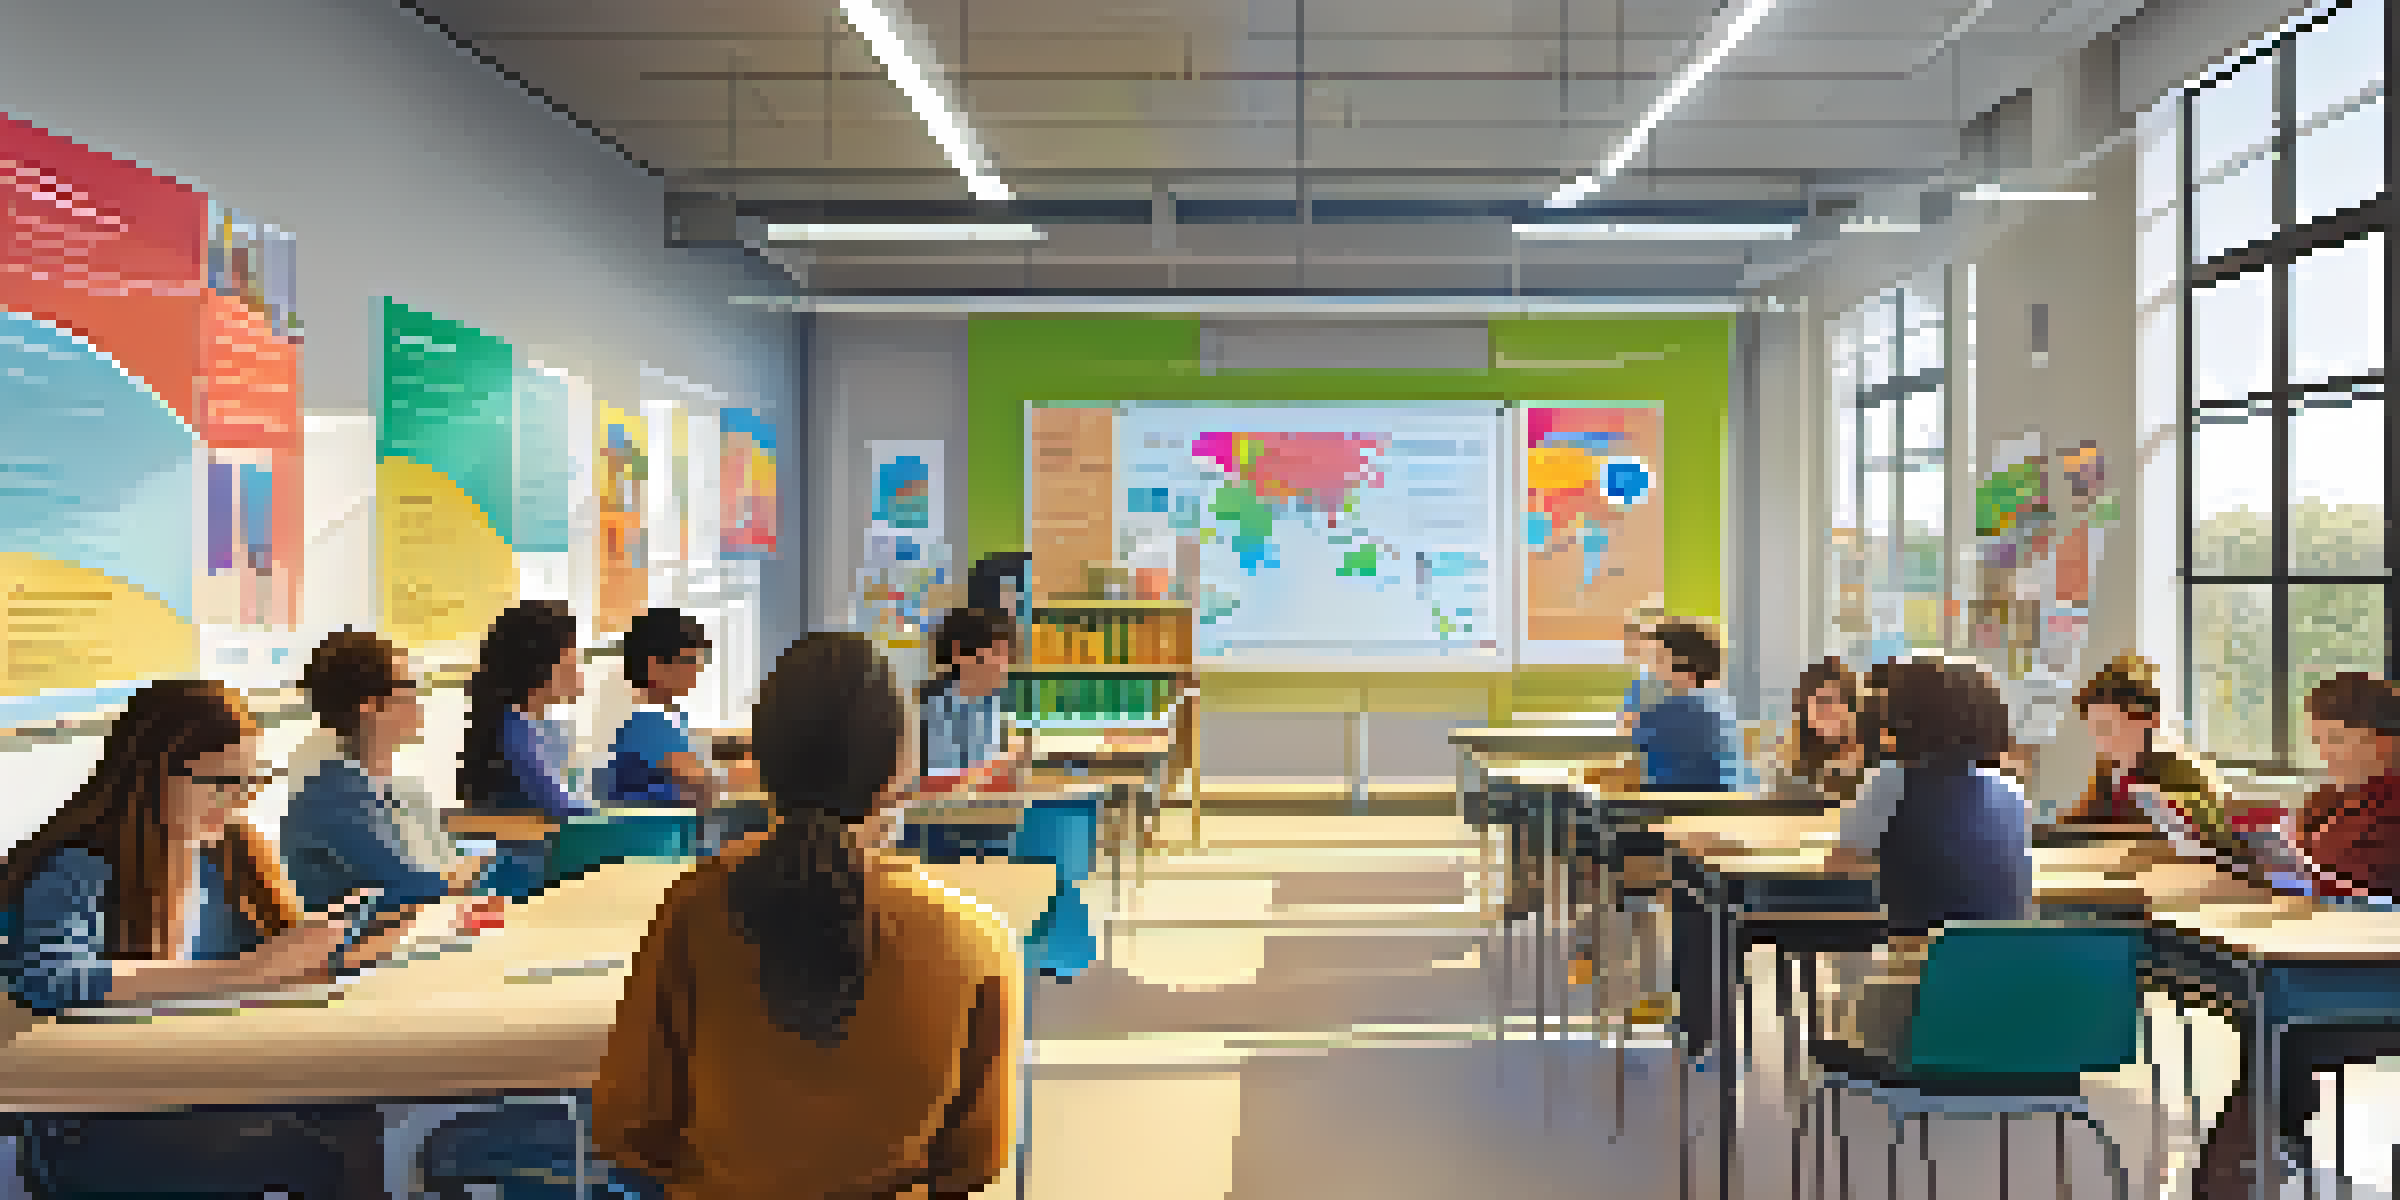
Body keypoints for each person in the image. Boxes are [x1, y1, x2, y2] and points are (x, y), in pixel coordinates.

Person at [592, 632, 1021, 1199]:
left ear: (762, 764)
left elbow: (629, 1125)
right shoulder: (975, 940)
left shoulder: (693, 912)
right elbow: (977, 1159)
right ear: (900, 767)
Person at [0, 680, 396, 1198]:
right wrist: (246, 972)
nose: (238, 800)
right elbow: (53, 978)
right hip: (105, 1114)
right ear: (152, 773)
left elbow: (271, 960)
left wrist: (333, 952)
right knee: (332, 1145)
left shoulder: (229, 850)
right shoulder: (81, 862)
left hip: (203, 1080)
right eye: (220, 782)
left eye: (250, 781)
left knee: (356, 1118)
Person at [2197, 673, 2400, 1198]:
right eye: (2318, 739)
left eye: (2334, 739)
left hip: (2372, 974)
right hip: (2316, 951)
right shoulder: (2330, 796)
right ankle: (2255, 1161)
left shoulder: (2390, 805)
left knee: (2275, 1026)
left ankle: (2241, 1169)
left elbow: (2367, 895)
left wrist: (2308, 876)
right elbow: (2310, 871)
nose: (2324, 753)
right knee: (2265, 1018)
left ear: (2381, 739)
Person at [1823, 657, 2031, 1055]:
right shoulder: (2011, 793)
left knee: (1839, 983)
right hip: (2004, 1012)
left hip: (1916, 1016)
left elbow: (1840, 872)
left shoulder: (1889, 783)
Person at [288, 628, 499, 921]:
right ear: (369, 707)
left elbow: (443, 862)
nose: (417, 696)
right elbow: (412, 887)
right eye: (408, 684)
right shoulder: (333, 797)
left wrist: (473, 864)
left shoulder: (392, 786)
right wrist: (477, 866)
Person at [459, 600, 590, 898]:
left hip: (531, 870)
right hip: (520, 880)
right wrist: (621, 818)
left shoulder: (525, 725)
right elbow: (561, 807)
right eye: (570, 655)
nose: (577, 664)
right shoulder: (515, 728)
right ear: (540, 664)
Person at [2054, 654, 2238, 856]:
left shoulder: (2180, 776)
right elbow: (2071, 831)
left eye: (2107, 727)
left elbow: (2212, 845)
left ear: (2150, 720)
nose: (2100, 741)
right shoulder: (2107, 775)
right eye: (2095, 729)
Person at [910, 607, 1031, 863]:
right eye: (997, 653)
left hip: (992, 829)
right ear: (960, 654)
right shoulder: (933, 707)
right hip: (942, 835)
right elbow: (939, 786)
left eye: (1008, 654)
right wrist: (1007, 762)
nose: (1005, 664)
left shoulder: (997, 705)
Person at [1773, 657, 1868, 807]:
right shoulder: (1793, 751)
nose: (1828, 711)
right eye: (1820, 702)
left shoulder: (1868, 754)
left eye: (1836, 701)